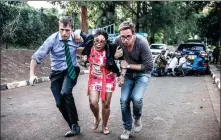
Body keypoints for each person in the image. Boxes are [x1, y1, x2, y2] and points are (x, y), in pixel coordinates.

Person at [29, 16, 85, 137]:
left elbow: (91, 42)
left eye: (67, 30)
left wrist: (80, 33)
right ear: (59, 28)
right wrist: (32, 74)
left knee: (65, 92)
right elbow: (36, 57)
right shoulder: (52, 40)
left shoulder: (76, 38)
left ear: (71, 29)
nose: (64, 33)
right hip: (56, 73)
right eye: (62, 30)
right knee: (59, 102)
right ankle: (73, 126)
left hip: (71, 70)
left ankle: (75, 124)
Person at [114, 21, 153, 140]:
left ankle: (137, 117)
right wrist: (121, 75)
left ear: (133, 34)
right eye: (123, 37)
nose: (125, 40)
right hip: (128, 75)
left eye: (128, 36)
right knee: (124, 99)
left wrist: (129, 66)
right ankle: (127, 128)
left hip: (143, 74)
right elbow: (119, 60)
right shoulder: (117, 41)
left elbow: (149, 66)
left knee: (136, 98)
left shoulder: (142, 43)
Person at [81, 29, 123, 135]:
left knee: (106, 104)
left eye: (102, 42)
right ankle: (97, 118)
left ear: (106, 42)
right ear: (93, 40)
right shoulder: (89, 45)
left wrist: (116, 57)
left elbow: (122, 57)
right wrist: (77, 33)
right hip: (94, 78)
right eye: (97, 41)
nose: (99, 44)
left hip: (108, 78)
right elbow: (81, 33)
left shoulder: (111, 47)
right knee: (93, 102)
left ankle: (105, 125)